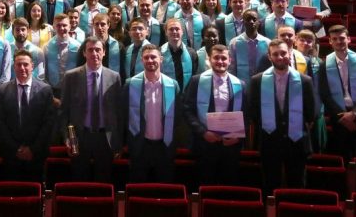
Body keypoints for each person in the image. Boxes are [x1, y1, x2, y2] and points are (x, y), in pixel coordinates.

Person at [249, 39, 315, 196]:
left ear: (290, 53)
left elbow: (310, 113)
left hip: (296, 141)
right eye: (275, 54)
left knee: (297, 185)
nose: (280, 57)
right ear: (269, 57)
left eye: (283, 53)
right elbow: (254, 112)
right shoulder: (257, 80)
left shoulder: (305, 81)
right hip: (269, 140)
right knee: (270, 185)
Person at [60, 36, 122, 182]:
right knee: (79, 179)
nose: (94, 53)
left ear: (104, 52)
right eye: (90, 50)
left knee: (104, 181)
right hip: (80, 137)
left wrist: (118, 142)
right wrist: (66, 138)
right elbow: (63, 111)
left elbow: (119, 112)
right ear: (84, 53)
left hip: (104, 138)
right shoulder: (71, 77)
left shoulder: (114, 77)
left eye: (98, 50)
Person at [184, 45, 246, 185]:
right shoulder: (197, 81)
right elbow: (187, 110)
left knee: (228, 186)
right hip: (204, 143)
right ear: (209, 60)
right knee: (204, 183)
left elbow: (246, 114)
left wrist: (237, 137)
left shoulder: (240, 84)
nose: (220, 61)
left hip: (230, 145)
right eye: (216, 58)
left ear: (230, 60)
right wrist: (203, 132)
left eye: (224, 58)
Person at [318, 25, 356, 160]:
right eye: (335, 39)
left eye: (342, 38)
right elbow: (325, 94)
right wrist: (344, 117)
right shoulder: (324, 65)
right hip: (340, 117)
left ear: (349, 39)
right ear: (330, 42)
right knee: (344, 156)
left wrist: (354, 113)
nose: (339, 41)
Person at [123, 43, 180, 183]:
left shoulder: (172, 85)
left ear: (161, 59)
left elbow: (178, 117)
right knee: (138, 188)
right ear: (142, 60)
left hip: (164, 146)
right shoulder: (130, 84)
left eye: (153, 57)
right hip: (140, 146)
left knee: (164, 187)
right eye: (146, 58)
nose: (150, 60)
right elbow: (123, 115)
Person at [0, 49, 56, 182]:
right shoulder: (3, 90)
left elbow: (48, 123)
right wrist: (16, 148)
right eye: (18, 65)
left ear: (32, 66)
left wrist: (32, 149)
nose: (22, 68)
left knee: (35, 195)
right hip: (11, 154)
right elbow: (0, 122)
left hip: (36, 155)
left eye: (25, 64)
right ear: (14, 67)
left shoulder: (45, 90)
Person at [229, 10, 271, 85]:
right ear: (243, 22)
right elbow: (232, 68)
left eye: (254, 19)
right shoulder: (234, 43)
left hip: (263, 84)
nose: (251, 22)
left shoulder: (267, 43)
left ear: (258, 22)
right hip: (241, 84)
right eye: (248, 19)